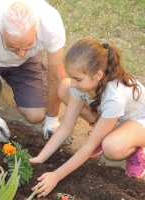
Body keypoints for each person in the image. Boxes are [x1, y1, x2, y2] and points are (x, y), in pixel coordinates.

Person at [30, 38, 145, 197]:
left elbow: (88, 146)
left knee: (111, 147)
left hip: (140, 121)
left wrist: (56, 175)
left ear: (98, 75)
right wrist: (40, 158)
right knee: (65, 88)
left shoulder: (114, 97)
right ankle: (104, 132)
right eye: (72, 77)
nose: (74, 82)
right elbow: (65, 126)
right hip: (117, 118)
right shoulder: (84, 84)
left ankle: (135, 149)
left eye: (77, 79)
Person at [0, 0, 72, 144]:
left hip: (26, 63)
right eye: (13, 46)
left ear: (38, 26)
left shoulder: (51, 24)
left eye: (28, 45)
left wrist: (52, 119)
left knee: (37, 115)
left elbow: (57, 77)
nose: (20, 53)